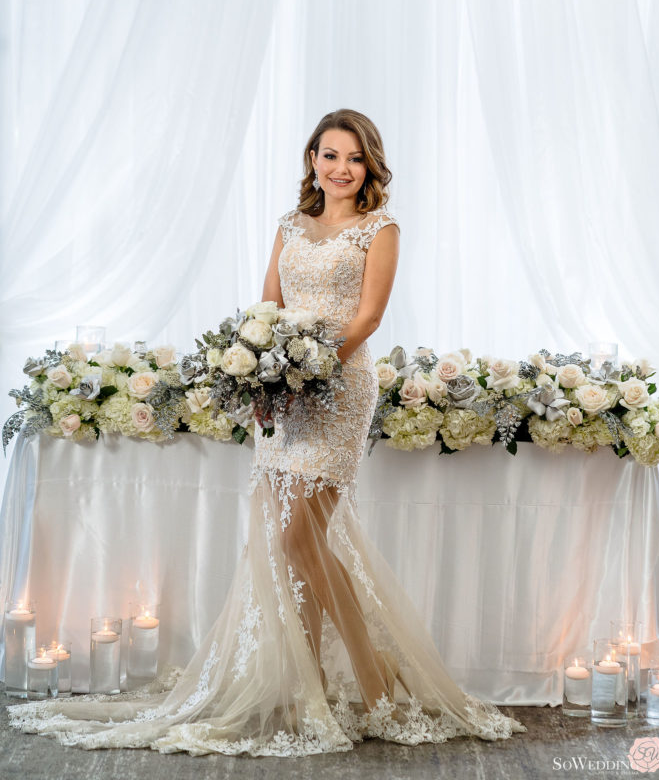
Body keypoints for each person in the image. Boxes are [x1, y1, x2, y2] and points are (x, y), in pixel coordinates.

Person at [7, 108, 525, 756]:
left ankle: (374, 677)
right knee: (287, 544)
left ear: (369, 166)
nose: (340, 168)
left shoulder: (379, 229)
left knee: (297, 532)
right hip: (283, 391)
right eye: (329, 155)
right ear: (312, 158)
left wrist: (309, 373)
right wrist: (262, 382)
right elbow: (267, 308)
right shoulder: (289, 224)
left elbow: (365, 320)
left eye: (353, 158)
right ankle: (308, 683)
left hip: (337, 392)